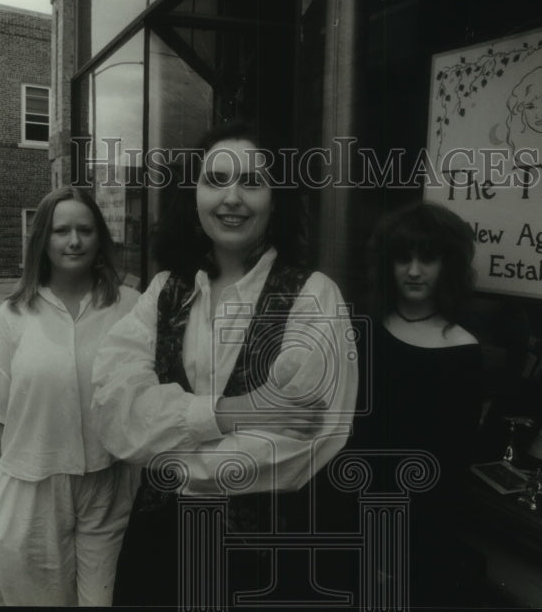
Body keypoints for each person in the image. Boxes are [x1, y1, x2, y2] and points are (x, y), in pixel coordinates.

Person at [91, 121, 358, 607]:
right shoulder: (165, 290)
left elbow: (298, 450)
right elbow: (114, 410)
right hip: (159, 549)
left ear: (276, 200)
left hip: (262, 559)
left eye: (251, 182)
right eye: (215, 180)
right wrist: (236, 412)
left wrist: (164, 454)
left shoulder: (314, 296)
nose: (232, 197)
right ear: (194, 198)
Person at [0, 187, 141, 606]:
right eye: (61, 230)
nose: (74, 240)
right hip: (32, 488)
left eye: (84, 229)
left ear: (99, 238)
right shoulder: (12, 315)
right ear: (43, 238)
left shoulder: (130, 306)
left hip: (107, 482)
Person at [349, 200, 485, 607]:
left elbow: (447, 468)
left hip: (419, 535)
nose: (413, 270)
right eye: (402, 258)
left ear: (449, 266)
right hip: (350, 515)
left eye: (428, 258)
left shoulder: (462, 350)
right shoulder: (362, 332)